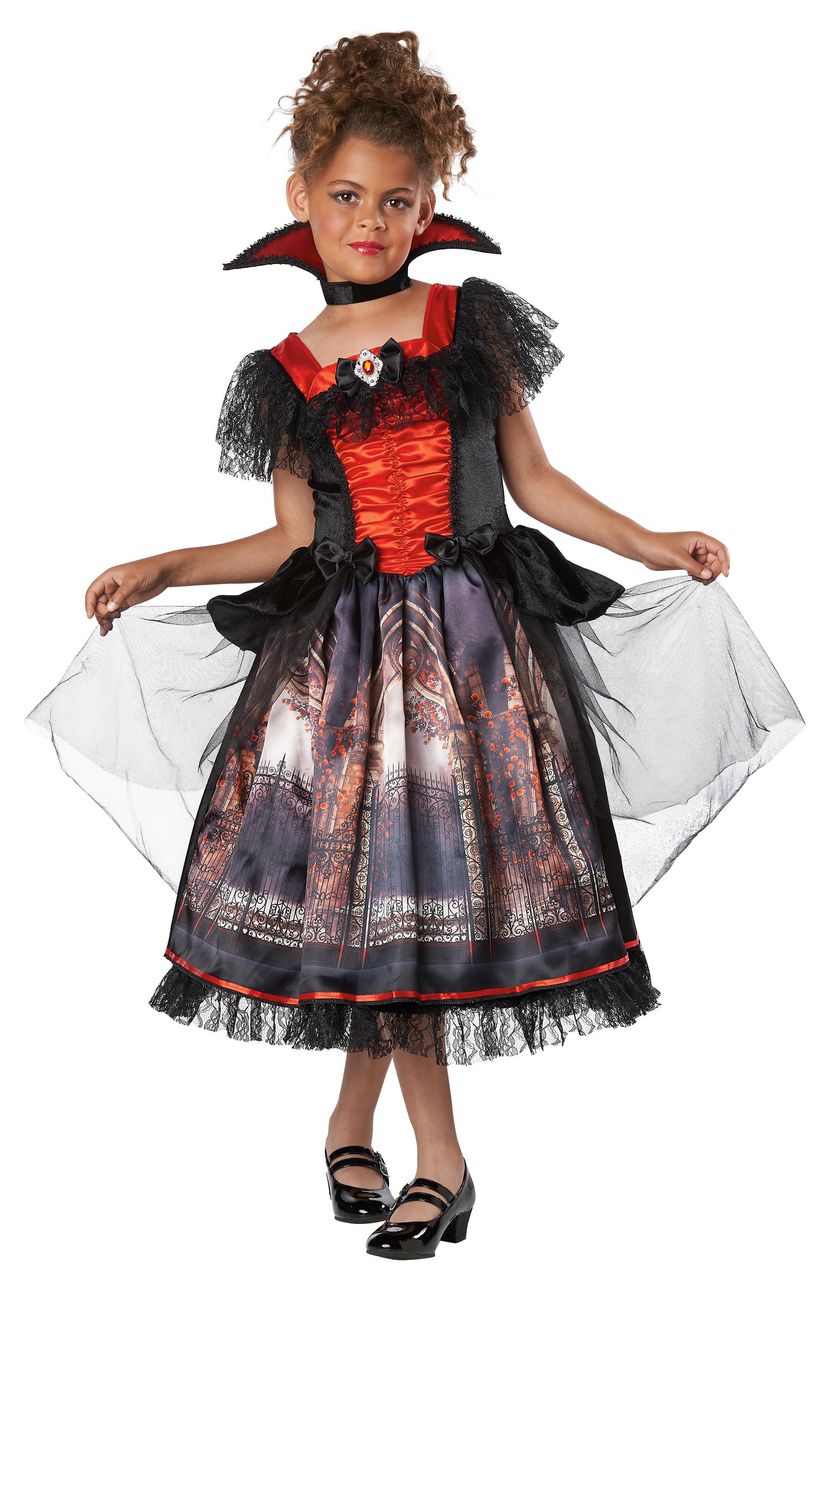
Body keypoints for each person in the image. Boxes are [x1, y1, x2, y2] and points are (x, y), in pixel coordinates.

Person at [24, 31, 804, 1261]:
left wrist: (652, 539)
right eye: (346, 197)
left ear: (429, 205)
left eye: (397, 201)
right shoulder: (283, 374)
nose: (370, 222)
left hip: (472, 658)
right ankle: (406, 1141)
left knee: (415, 898)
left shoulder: (466, 322)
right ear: (301, 198)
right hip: (338, 669)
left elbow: (536, 481)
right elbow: (294, 540)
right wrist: (166, 564)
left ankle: (405, 1143)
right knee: (377, 900)